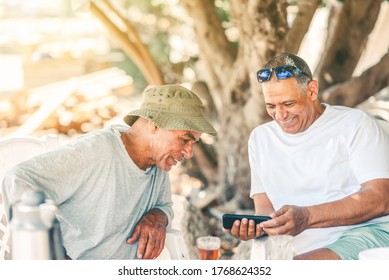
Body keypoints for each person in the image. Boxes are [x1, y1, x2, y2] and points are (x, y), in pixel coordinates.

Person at [1, 84, 217, 260]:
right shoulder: (97, 151)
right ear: (154, 124)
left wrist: (157, 216)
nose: (189, 152)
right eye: (185, 138)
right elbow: (17, 180)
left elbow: (165, 206)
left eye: (194, 142)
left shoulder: (158, 163)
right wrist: (50, 250)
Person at [226, 53, 389, 260]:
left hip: (367, 235)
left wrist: (307, 217)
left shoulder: (355, 124)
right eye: (271, 106)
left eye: (288, 103)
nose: (280, 115)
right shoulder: (260, 138)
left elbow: (381, 198)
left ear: (312, 90)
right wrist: (256, 227)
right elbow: (265, 210)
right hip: (299, 249)